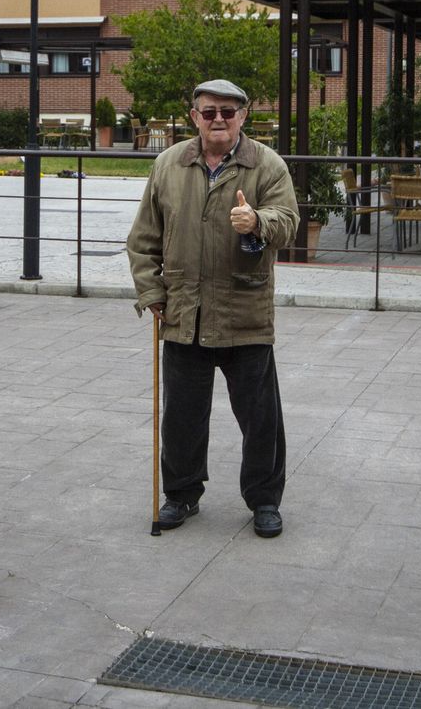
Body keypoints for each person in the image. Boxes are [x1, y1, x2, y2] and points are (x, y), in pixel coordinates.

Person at [126, 79, 299, 538]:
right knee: (181, 417)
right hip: (185, 314)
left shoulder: (267, 165)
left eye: (227, 111)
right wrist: (152, 292)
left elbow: (289, 223)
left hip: (244, 313)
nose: (217, 119)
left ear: (243, 116)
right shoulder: (168, 164)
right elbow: (143, 240)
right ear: (193, 116)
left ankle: (264, 500)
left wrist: (257, 221)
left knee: (261, 419)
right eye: (208, 112)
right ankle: (181, 494)